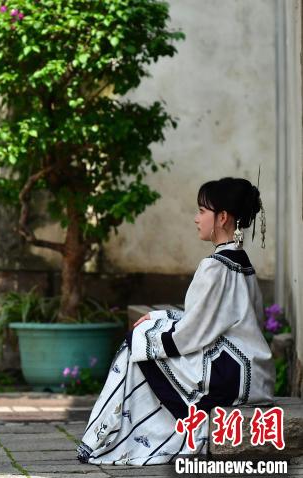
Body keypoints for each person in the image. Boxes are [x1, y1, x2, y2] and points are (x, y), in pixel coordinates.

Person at [77, 177, 274, 465]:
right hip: (253, 371)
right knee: (148, 336)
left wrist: (151, 337)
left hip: (231, 375)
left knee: (138, 342)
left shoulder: (215, 266)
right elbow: (212, 320)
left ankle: (109, 435)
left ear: (222, 217)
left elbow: (190, 335)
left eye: (202, 211)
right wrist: (160, 318)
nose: (196, 218)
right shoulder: (242, 263)